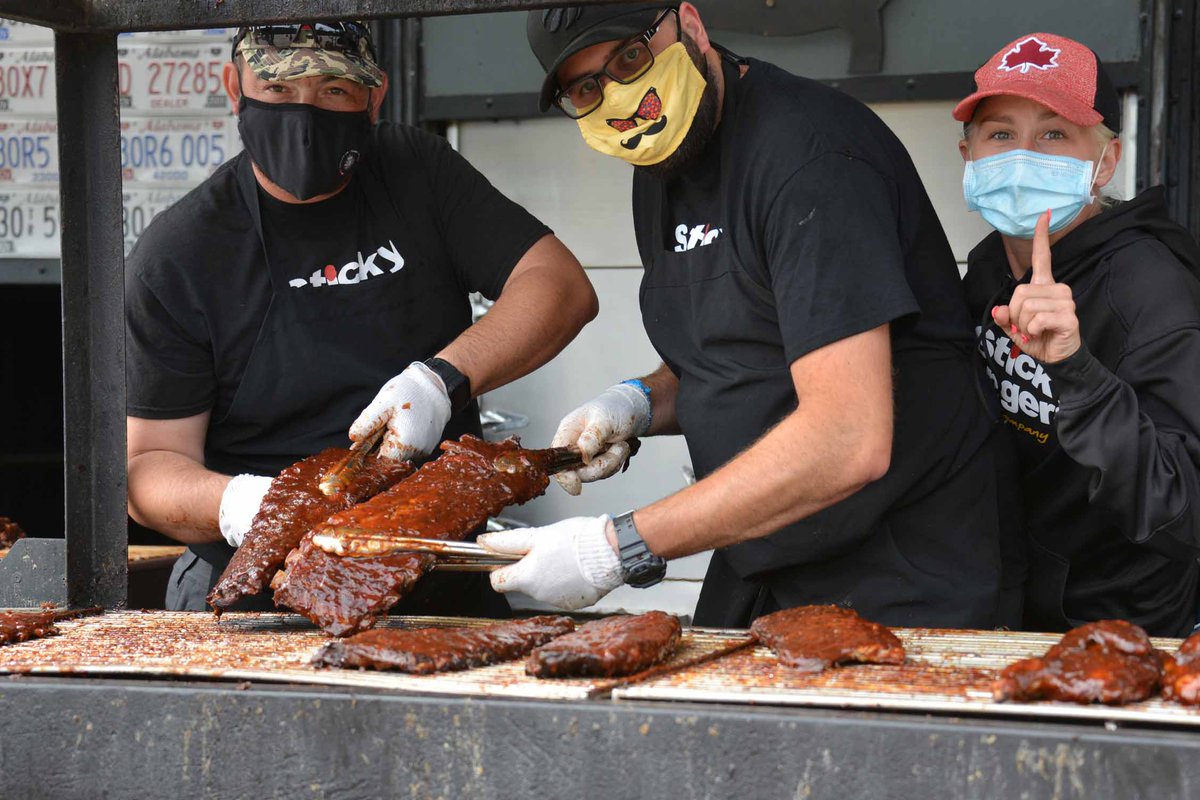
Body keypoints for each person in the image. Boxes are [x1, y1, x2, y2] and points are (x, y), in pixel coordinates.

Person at [478, 3, 1021, 628]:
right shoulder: (663, 153)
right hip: (766, 558)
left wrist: (618, 547)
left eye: (629, 57)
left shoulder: (811, 159)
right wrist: (637, 402)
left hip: (904, 570)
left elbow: (849, 438)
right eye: (586, 87)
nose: (620, 97)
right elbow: (743, 349)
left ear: (690, 24)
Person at [124, 22, 598, 612]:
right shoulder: (180, 252)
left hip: (439, 573)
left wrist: (440, 381)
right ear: (234, 86)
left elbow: (559, 286)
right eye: (277, 89)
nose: (304, 114)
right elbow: (148, 468)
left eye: (333, 92)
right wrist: (247, 504)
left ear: (374, 98)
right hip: (258, 591)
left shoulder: (414, 170)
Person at [954, 33, 1200, 637]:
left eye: (1055, 134)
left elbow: (1183, 510)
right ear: (969, 156)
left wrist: (1075, 368)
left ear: (1106, 163)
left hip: (1124, 629)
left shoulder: (1148, 286)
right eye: (1001, 133)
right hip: (1008, 605)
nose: (1022, 155)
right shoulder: (988, 264)